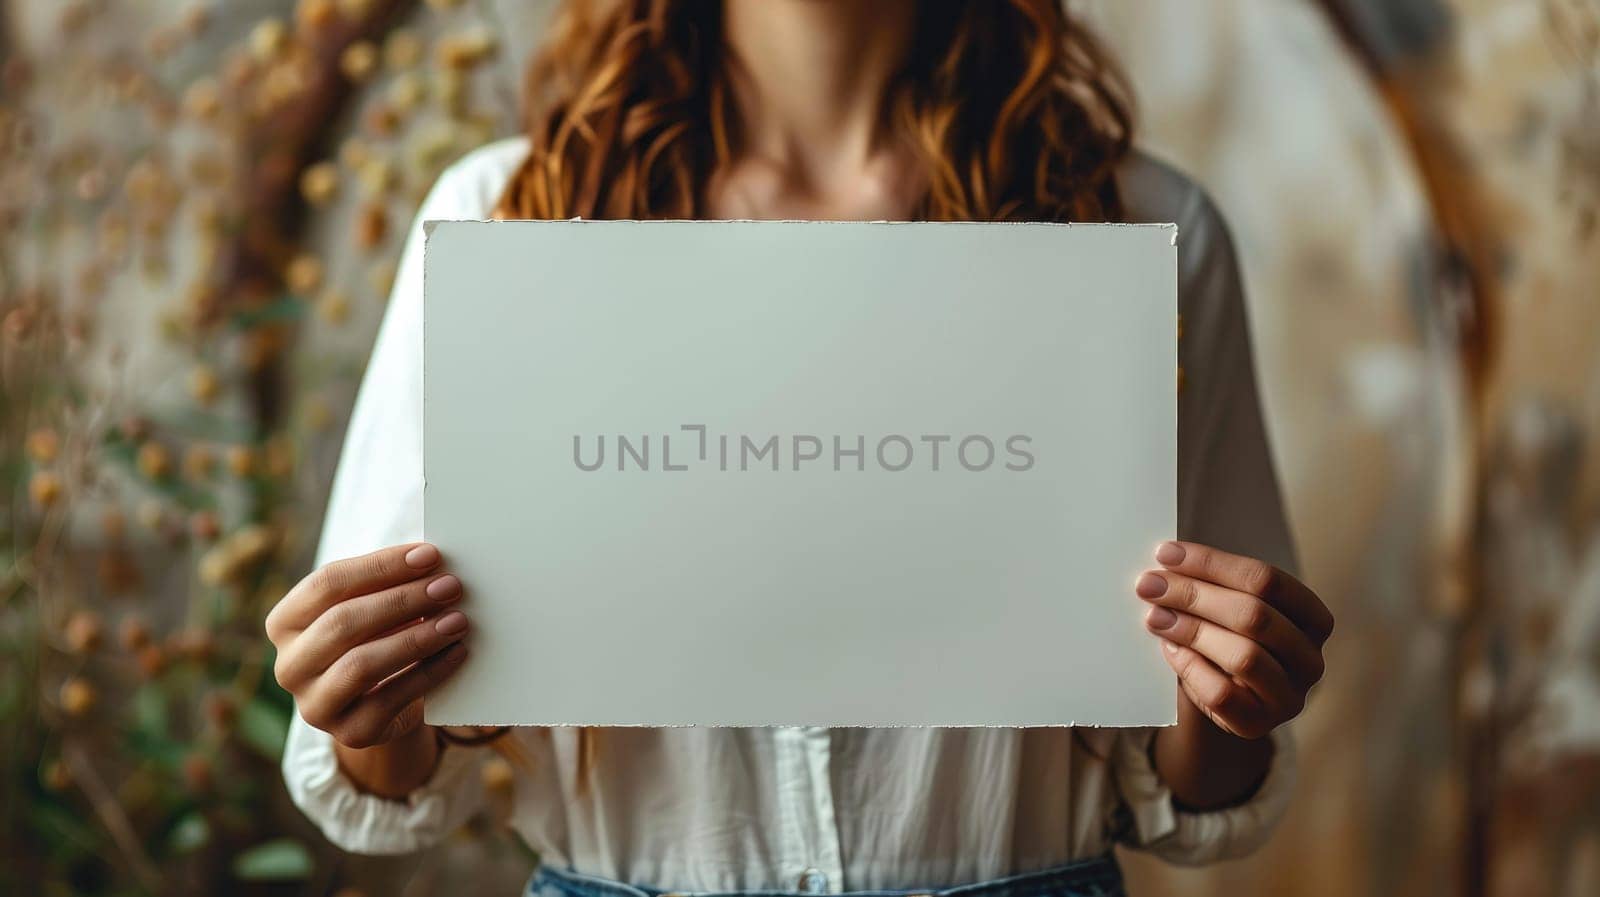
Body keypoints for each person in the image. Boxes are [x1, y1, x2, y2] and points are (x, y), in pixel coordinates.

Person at [269, 2, 1334, 895]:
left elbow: (1200, 774)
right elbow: (392, 766)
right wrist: (365, 707)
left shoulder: (1145, 229)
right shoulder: (500, 221)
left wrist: (1230, 696)